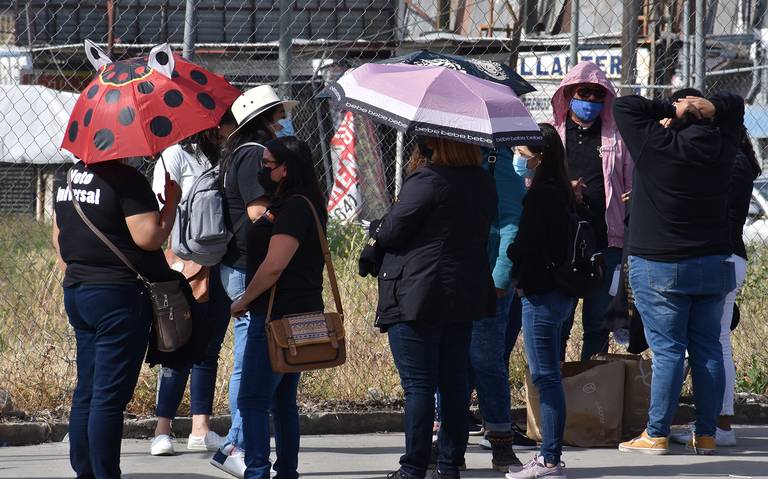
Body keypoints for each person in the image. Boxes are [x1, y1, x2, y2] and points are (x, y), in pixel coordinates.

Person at [613, 91, 744, 455]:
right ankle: (706, 434)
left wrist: (670, 109)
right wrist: (710, 108)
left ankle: (656, 433)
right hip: (714, 262)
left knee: (669, 351)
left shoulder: (655, 143)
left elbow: (625, 105)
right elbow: (735, 104)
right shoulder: (722, 147)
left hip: (660, 264)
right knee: (707, 350)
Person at [371, 137, 497, 479]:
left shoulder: (428, 179)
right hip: (462, 294)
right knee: (454, 384)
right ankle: (450, 462)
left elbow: (393, 229)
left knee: (419, 385)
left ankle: (413, 466)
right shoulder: (482, 181)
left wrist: (376, 228)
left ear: (432, 144)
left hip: (420, 293)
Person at [52, 157, 181, 479]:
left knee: (88, 389)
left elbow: (59, 237)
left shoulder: (66, 178)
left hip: (79, 291)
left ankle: (85, 471)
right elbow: (149, 237)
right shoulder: (126, 179)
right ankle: (105, 473)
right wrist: (172, 205)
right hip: (117, 297)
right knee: (108, 397)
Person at [212, 85, 298, 478]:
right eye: (279, 115)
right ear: (264, 119)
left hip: (242, 265)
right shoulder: (252, 158)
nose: (284, 122)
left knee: (254, 358)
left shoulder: (242, 153)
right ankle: (237, 444)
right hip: (248, 266)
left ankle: (241, 441)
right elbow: (256, 211)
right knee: (250, 361)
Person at [229, 136, 327, 479]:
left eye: (268, 164)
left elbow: (274, 266)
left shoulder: (295, 208)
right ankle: (286, 472)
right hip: (292, 314)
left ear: (287, 169)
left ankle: (258, 471)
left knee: (253, 400)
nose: (262, 168)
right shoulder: (292, 203)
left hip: (277, 318)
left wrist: (242, 300)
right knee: (282, 400)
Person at [670, 93, 762, 448]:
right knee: (711, 341)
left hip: (722, 256)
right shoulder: (734, 159)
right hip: (721, 256)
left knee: (715, 342)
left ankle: (720, 423)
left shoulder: (732, 162)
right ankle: (714, 421)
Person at [149, 112, 238, 456]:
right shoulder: (175, 156)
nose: (224, 132)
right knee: (177, 348)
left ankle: (201, 427)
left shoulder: (226, 155)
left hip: (220, 264)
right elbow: (161, 210)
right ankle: (162, 430)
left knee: (208, 349)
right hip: (184, 265)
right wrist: (171, 263)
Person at [506, 123, 576, 479]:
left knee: (545, 377)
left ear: (539, 156)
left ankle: (549, 459)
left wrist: (516, 271)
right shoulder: (561, 189)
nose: (519, 156)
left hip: (541, 293)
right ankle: (550, 457)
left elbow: (529, 247)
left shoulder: (541, 194)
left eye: (522, 152)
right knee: (549, 376)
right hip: (558, 292)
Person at [550, 61, 633, 361]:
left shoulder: (616, 137)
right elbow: (532, 184)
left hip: (605, 243)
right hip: (563, 243)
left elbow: (631, 180)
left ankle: (589, 392)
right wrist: (564, 190)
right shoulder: (552, 134)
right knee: (559, 321)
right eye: (585, 93)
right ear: (570, 93)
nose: (592, 101)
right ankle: (554, 389)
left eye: (599, 95)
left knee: (599, 324)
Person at [467, 146, 529, 470]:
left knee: (486, 361)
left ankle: (501, 443)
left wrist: (501, 275)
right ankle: (447, 444)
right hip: (451, 280)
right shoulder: (452, 159)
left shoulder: (497, 161)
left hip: (488, 282)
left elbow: (510, 224)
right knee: (451, 365)